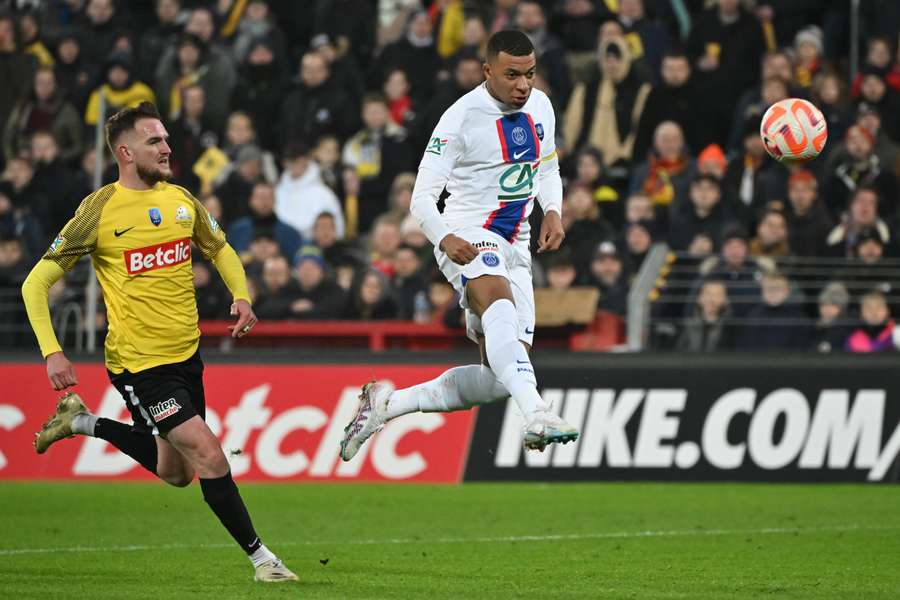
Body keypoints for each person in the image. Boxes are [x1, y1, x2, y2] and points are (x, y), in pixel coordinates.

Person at [20, 102, 296, 582]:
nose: (167, 148)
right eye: (155, 141)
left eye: (166, 139)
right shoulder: (98, 210)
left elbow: (220, 248)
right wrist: (52, 351)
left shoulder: (181, 200)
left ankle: (82, 421)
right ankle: (263, 560)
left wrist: (242, 295)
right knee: (209, 455)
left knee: (177, 473)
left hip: (187, 357)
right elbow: (34, 284)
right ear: (125, 152)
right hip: (140, 367)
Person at [340, 31, 578, 460]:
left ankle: (386, 405)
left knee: (499, 377)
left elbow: (547, 167)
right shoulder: (460, 117)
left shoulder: (541, 105)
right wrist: (446, 238)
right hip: (467, 233)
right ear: (488, 72)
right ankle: (538, 413)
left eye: (529, 74)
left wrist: (554, 210)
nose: (523, 85)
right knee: (498, 305)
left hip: (516, 245)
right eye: (512, 75)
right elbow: (421, 199)